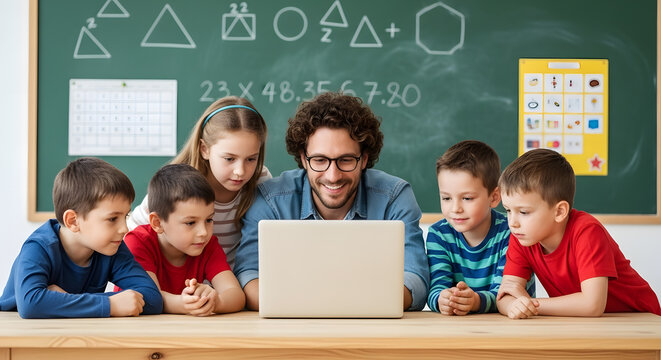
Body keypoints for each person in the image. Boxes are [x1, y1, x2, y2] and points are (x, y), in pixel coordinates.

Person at [234, 92, 429, 311]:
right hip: (291, 331)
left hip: (372, 332)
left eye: (346, 160)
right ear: (303, 158)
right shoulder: (270, 200)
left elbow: (415, 281)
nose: (333, 175)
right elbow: (248, 275)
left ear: (364, 159)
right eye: (320, 160)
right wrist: (333, 304)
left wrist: (319, 303)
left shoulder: (394, 197)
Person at [496, 149, 661, 318]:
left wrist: (528, 304)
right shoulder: (522, 237)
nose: (512, 222)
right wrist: (514, 306)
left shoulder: (587, 231)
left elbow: (592, 305)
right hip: (591, 324)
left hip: (641, 319)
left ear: (559, 211)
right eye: (508, 210)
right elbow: (505, 295)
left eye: (523, 212)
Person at [0, 158, 162, 318]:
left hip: (78, 330)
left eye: (126, 216)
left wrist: (63, 299)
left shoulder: (112, 248)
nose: (124, 229)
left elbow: (153, 298)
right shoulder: (39, 247)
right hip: (21, 333)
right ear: (73, 221)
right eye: (112, 219)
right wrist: (110, 304)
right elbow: (31, 304)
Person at [127, 96, 270, 269]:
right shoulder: (177, 184)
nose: (240, 171)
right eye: (229, 158)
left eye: (251, 159)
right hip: (181, 285)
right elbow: (132, 233)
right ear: (205, 149)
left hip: (230, 284)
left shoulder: (260, 180)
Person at [426, 140, 535, 315]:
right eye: (446, 198)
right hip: (460, 331)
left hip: (513, 326)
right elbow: (436, 287)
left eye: (467, 198)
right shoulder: (439, 234)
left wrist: (476, 301)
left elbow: (506, 295)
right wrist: (442, 299)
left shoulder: (512, 232)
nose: (455, 209)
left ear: (494, 197)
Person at [122, 164, 245, 316]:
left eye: (209, 219)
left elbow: (236, 295)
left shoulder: (208, 245)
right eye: (190, 223)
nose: (203, 232)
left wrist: (215, 301)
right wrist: (185, 304)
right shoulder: (137, 242)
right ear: (157, 223)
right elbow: (148, 297)